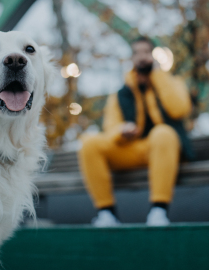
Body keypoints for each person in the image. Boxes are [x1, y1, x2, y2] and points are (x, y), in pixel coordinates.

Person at [78, 36, 194, 227]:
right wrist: (122, 131)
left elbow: (180, 108)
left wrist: (157, 76)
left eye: (146, 52)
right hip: (134, 150)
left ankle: (159, 210)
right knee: (89, 143)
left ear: (154, 56)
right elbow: (110, 128)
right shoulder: (121, 94)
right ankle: (106, 213)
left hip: (165, 151)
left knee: (162, 133)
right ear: (131, 58)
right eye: (137, 53)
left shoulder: (171, 81)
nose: (142, 57)